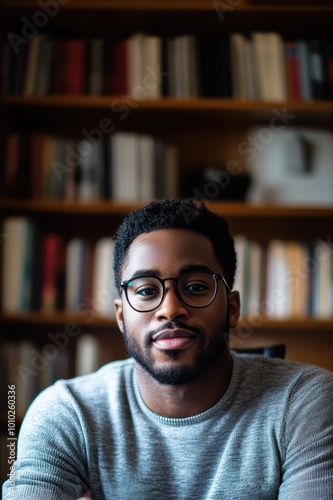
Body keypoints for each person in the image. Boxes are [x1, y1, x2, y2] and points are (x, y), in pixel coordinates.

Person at [2, 198, 333, 500]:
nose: (170, 309)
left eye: (196, 287)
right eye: (146, 290)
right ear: (121, 315)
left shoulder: (304, 402)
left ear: (232, 308)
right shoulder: (67, 413)